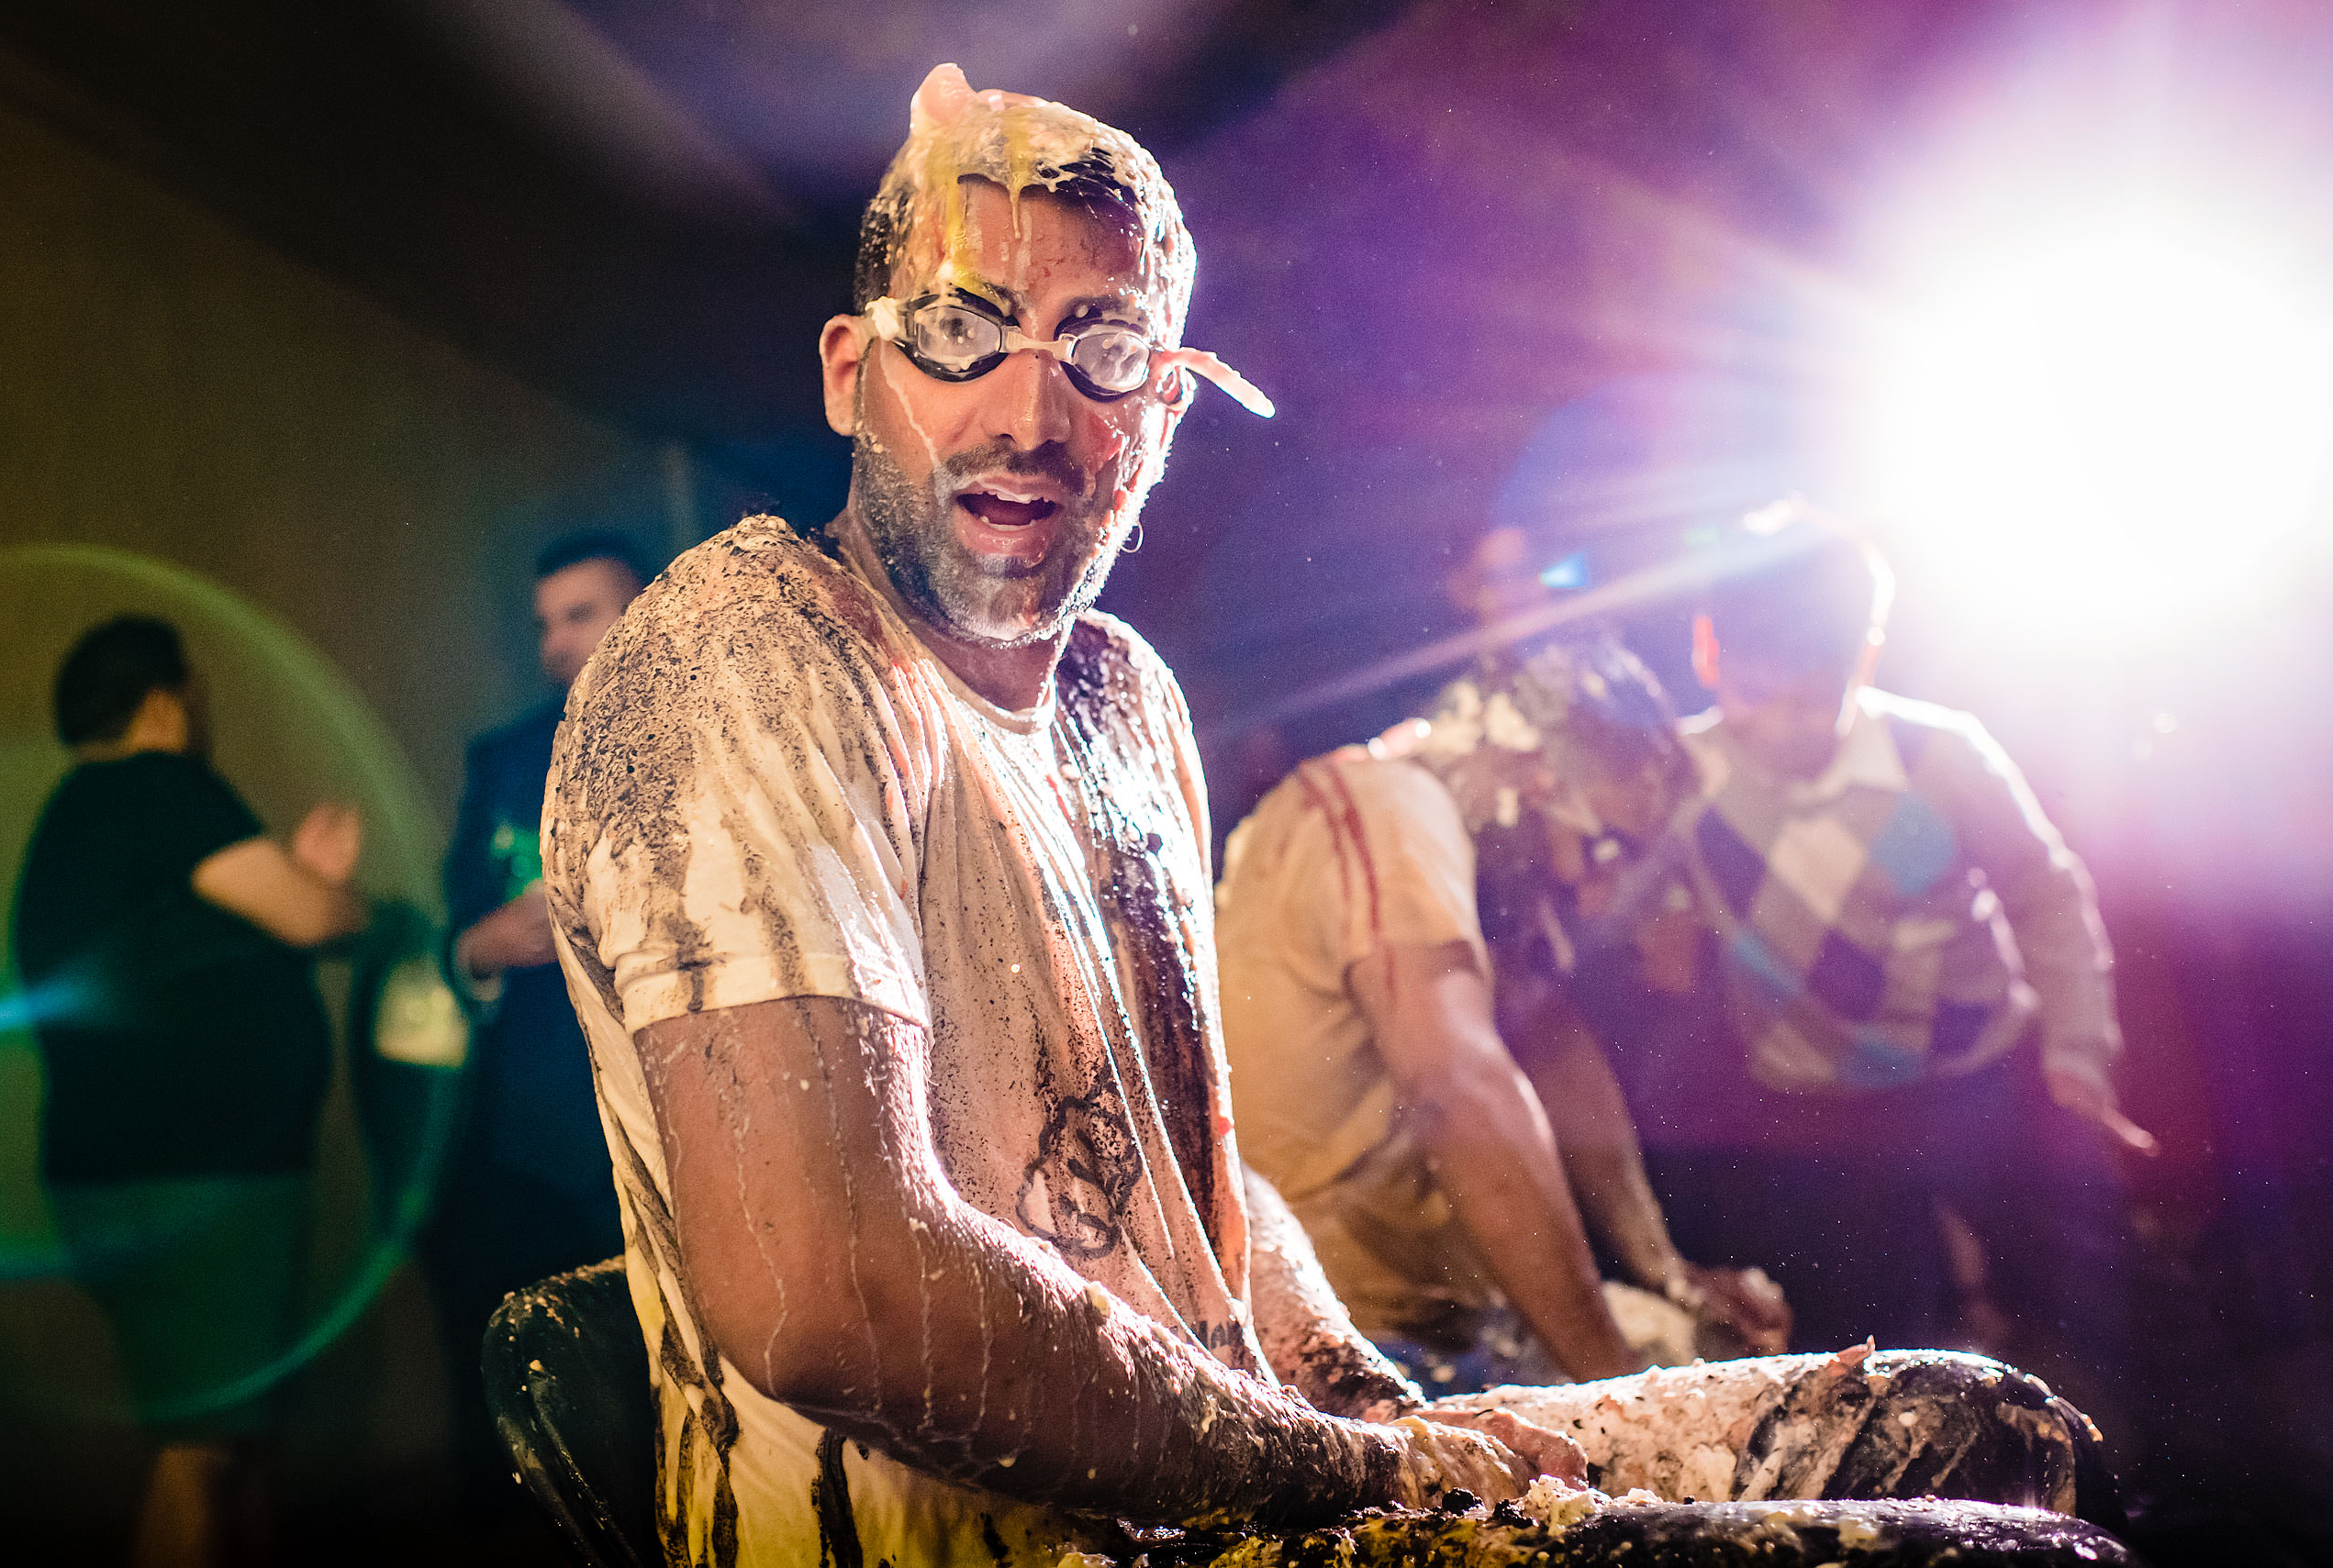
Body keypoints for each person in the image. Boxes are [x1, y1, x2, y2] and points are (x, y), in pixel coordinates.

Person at [541, 66, 2117, 1565]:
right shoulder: (747, 651)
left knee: (1965, 1429)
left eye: (1102, 344)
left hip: (1240, 1482)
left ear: (1162, 412)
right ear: (849, 370)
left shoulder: (1120, 697)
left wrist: (1367, 1399)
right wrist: (1343, 1468)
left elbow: (1205, 1168)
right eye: (962, 328)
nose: (1029, 408)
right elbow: (830, 1293)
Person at [1653, 509, 2140, 1420]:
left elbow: (2046, 894)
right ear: (1707, 650)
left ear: (1864, 659)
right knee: (1865, 1356)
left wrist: (2075, 1051)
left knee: (2092, 1308)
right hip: (1816, 1111)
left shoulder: (1939, 755)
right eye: (1760, 691)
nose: (1786, 726)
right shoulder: (1677, 776)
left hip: (1985, 1077)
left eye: (1814, 695)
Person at [1217, 642, 1791, 1396]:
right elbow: (1459, 1089)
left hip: (1446, 1323)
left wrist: (1667, 1275)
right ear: (1526, 775)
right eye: (1601, 844)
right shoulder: (1389, 804)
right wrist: (1616, 1391)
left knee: (1727, 1355)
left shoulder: (1484, 862)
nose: (1595, 892)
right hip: (1349, 1342)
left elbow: (1554, 1044)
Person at [13, 616, 364, 1568]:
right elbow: (309, 916)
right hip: (196, 1179)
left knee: (227, 1435)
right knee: (201, 1449)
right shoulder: (161, 788)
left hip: (126, 1175)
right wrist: (339, 898)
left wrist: (295, 885)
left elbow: (195, 955)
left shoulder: (74, 817)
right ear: (167, 698)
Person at [425, 531, 650, 1519]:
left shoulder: (704, 733)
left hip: (662, 1102)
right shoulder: (507, 758)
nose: (558, 641)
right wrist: (481, 946)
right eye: (545, 623)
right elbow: (455, 932)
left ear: (641, 607)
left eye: (581, 613)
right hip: (526, 1121)